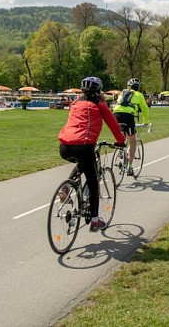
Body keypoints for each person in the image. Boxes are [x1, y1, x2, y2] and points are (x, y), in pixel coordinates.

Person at [58, 76, 125, 232]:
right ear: (99, 90)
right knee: (93, 182)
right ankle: (95, 221)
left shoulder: (75, 104)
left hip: (65, 146)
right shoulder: (100, 105)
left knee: (82, 163)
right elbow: (114, 125)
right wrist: (121, 142)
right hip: (85, 145)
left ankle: (68, 185)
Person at [112, 78, 151, 166]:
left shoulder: (123, 92)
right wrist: (145, 122)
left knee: (121, 135)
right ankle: (129, 166)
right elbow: (145, 109)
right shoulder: (139, 95)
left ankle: (120, 150)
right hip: (128, 116)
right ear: (138, 87)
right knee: (132, 142)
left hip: (116, 114)